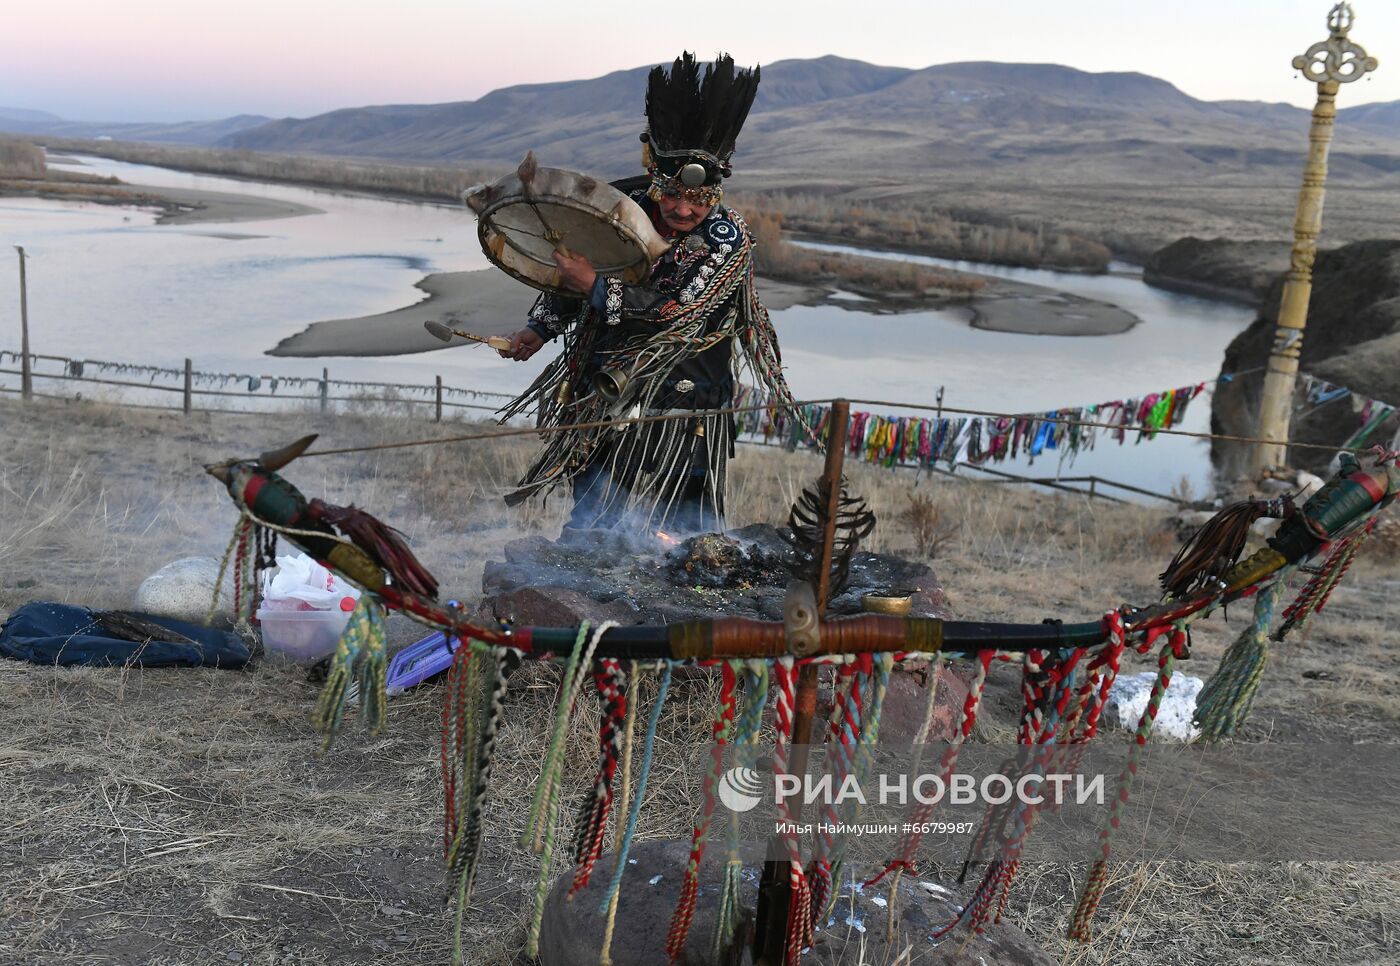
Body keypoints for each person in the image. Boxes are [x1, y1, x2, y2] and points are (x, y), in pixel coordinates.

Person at [498, 53, 798, 533]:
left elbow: (676, 310)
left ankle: (688, 596)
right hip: (605, 383)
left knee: (688, 525)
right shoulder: (622, 207)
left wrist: (595, 286)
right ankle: (579, 584)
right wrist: (539, 328)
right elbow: (578, 271)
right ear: (654, 177)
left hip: (690, 398)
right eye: (671, 194)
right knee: (594, 511)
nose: (682, 210)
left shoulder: (728, 238)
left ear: (716, 192)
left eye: (697, 200)